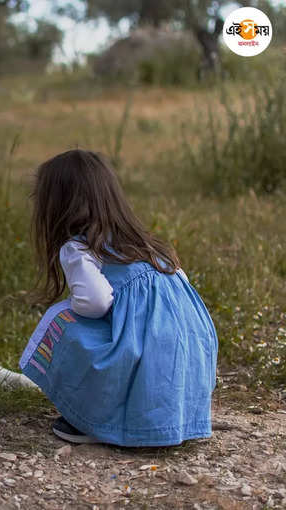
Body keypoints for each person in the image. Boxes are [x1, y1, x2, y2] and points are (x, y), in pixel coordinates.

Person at [20, 149, 218, 447]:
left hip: (144, 355)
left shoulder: (80, 248)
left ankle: (94, 419)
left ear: (57, 207)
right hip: (190, 354)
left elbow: (96, 302)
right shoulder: (147, 245)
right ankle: (171, 416)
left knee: (60, 320)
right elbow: (181, 294)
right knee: (142, 338)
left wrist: (72, 307)